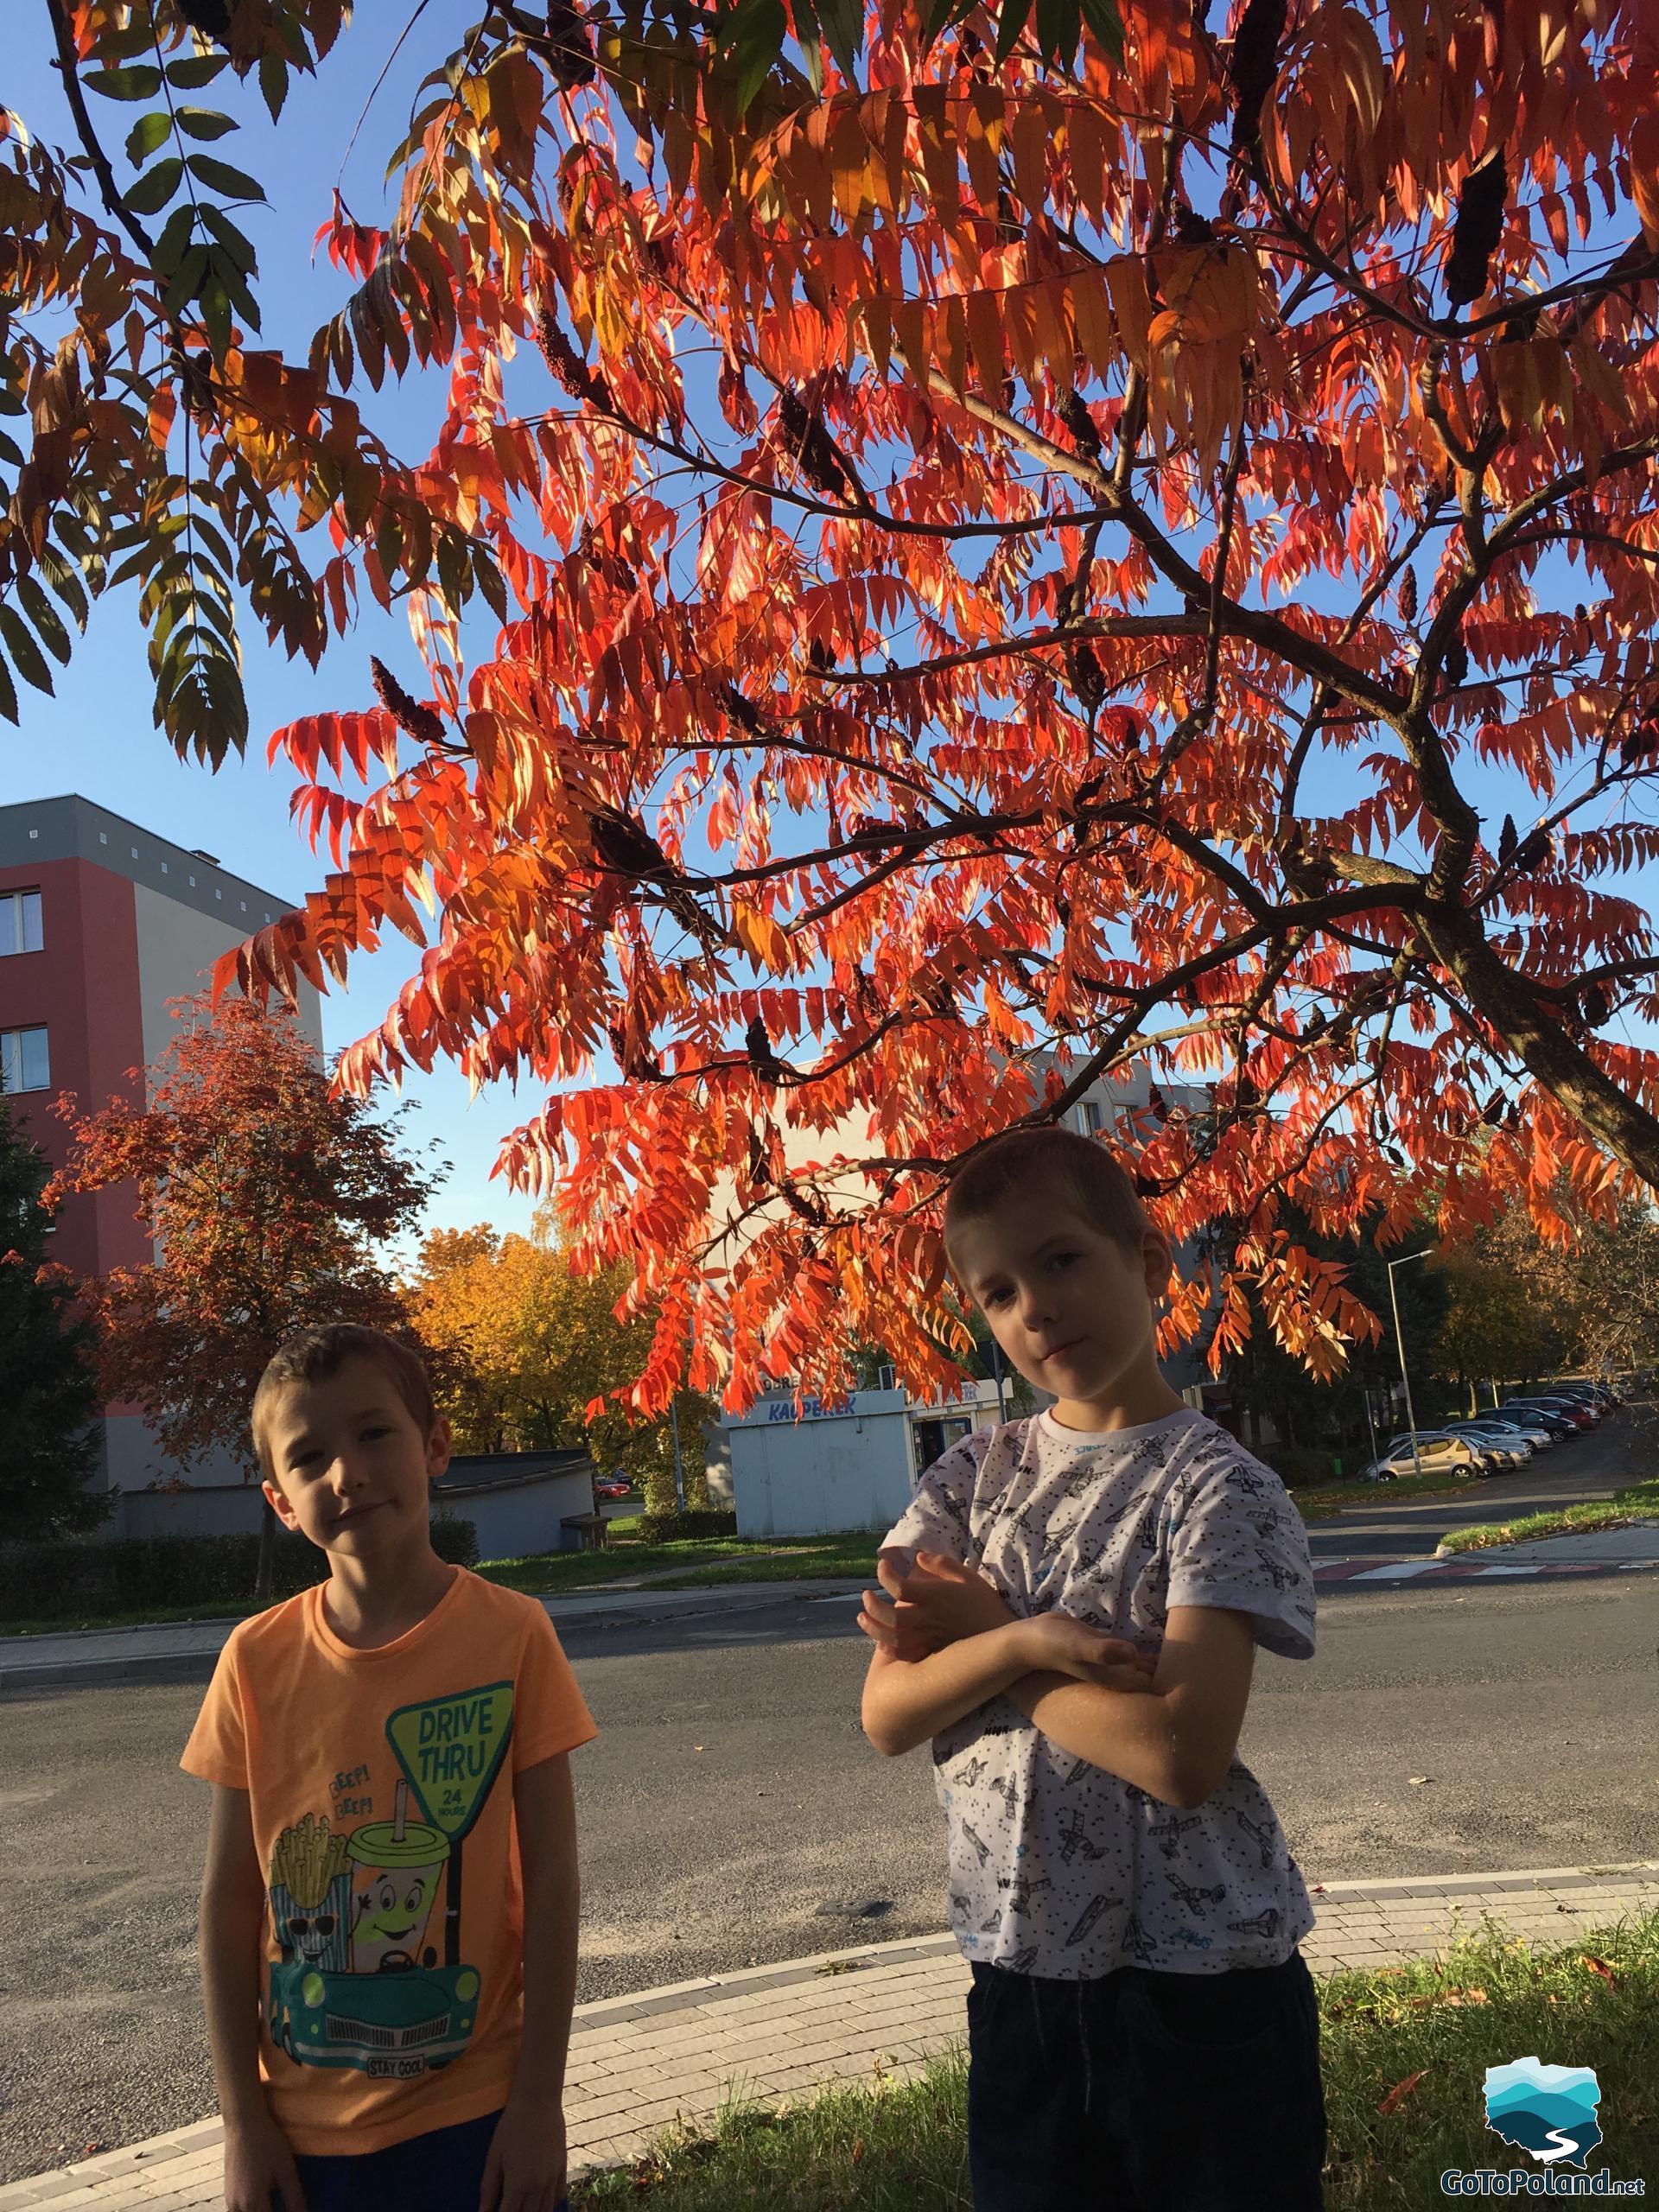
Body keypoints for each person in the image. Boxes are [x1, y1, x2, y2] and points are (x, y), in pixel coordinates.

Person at [860, 1126, 1325, 2211]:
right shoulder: (973, 1476)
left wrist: (989, 1639)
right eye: (999, 1291)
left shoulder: (1222, 1489)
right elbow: (887, 1710)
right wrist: (1024, 1637)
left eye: (1063, 1260)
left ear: (1152, 1264)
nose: (1036, 1309)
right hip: (1019, 1971)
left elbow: (1179, 1752)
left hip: (1203, 1988)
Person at [181, 1323, 596, 2212]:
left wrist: (539, 2103)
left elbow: (555, 1882)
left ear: (434, 1445)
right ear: (280, 1500)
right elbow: (228, 1905)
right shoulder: (253, 1661)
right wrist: (241, 2123)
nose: (348, 1473)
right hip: (303, 2142)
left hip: (478, 2118)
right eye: (310, 1456)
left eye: (374, 1433)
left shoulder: (516, 1635)